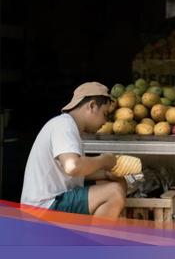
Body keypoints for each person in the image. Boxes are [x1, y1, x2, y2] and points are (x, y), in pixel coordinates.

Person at [21, 82, 126, 218]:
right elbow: (73, 167)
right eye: (105, 114)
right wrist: (105, 160)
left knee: (113, 184)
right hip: (43, 208)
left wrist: (106, 175)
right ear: (92, 106)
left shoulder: (68, 127)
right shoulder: (64, 124)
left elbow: (75, 173)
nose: (105, 122)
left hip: (49, 205)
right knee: (114, 192)